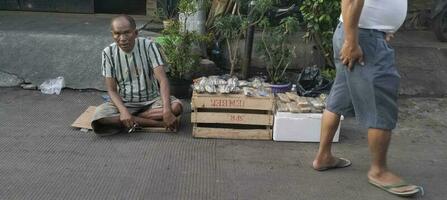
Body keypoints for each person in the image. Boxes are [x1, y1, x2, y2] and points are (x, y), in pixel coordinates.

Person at [312, 0, 423, 197]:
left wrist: (382, 27)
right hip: (361, 38)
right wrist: (352, 41)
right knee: (381, 103)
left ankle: (324, 156)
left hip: (360, 34)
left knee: (340, 96)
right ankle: (378, 171)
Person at [91, 15, 182, 136]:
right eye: (117, 34)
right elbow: (111, 90)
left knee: (176, 107)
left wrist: (166, 110)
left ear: (136, 33)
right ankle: (157, 124)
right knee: (100, 118)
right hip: (125, 102)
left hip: (152, 100)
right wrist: (123, 110)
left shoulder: (148, 46)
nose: (122, 38)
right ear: (112, 34)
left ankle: (133, 118)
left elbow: (163, 80)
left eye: (127, 33)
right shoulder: (108, 53)